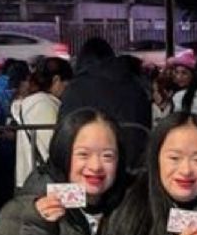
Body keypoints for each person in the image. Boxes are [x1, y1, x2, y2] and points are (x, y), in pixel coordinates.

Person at [59, 37, 151, 172]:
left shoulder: (76, 87)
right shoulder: (135, 85)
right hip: (134, 167)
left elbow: (63, 135)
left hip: (84, 169)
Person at [12, 56, 73, 188]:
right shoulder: (44, 104)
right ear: (56, 80)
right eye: (66, 84)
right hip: (43, 181)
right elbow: (52, 146)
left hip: (29, 178)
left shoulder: (29, 102)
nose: (67, 90)